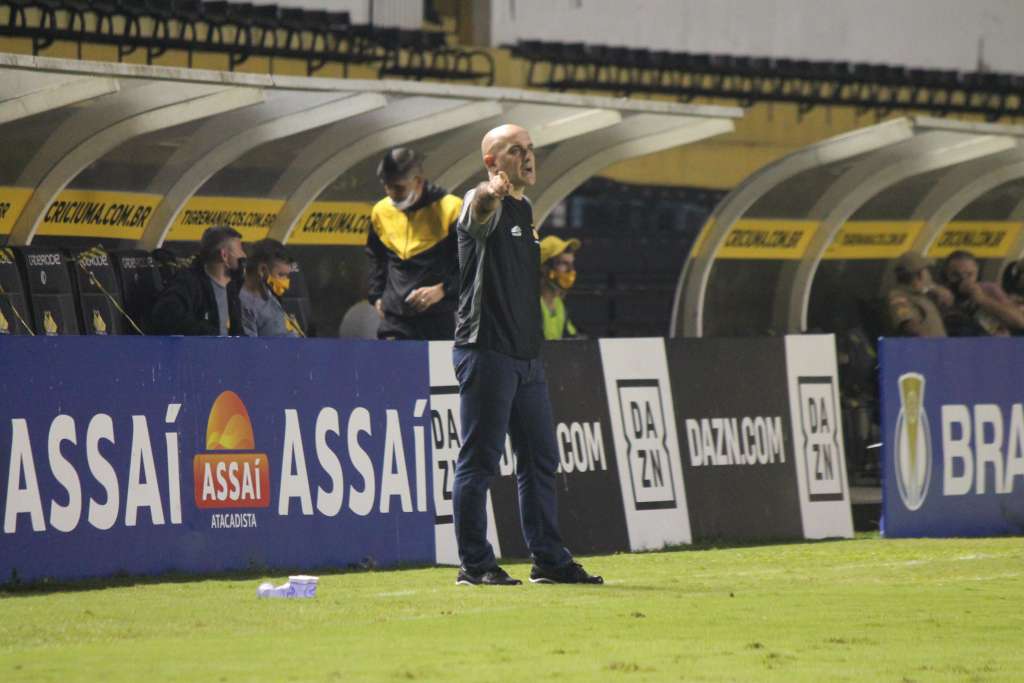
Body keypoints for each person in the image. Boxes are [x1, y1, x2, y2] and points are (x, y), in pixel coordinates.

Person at [451, 123, 602, 586]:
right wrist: (488, 191)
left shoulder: (527, 206)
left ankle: (549, 560)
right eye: (516, 151)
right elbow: (477, 209)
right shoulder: (483, 203)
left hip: (526, 357)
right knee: (479, 461)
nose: (528, 157)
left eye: (530, 149)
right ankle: (475, 565)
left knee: (539, 458)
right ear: (493, 161)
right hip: (487, 350)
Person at [366, 147, 462, 340]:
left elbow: (473, 264)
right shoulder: (380, 211)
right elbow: (376, 257)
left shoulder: (451, 209)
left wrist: (443, 290)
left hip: (439, 319)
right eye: (387, 186)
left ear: (418, 181)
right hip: (394, 319)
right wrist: (376, 296)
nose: (391, 193)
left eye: (398, 187)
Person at [149, 225, 244, 336]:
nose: (243, 255)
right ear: (224, 256)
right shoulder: (188, 283)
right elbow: (165, 315)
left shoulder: (231, 288)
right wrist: (210, 336)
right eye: (240, 249)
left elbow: (238, 333)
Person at [941, 250, 1024, 336]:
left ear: (977, 273)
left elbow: (1019, 321)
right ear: (946, 275)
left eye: (969, 274)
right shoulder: (942, 294)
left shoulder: (988, 289)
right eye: (955, 275)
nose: (964, 279)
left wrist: (982, 299)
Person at [239, 238, 299, 337]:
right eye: (281, 275)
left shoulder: (268, 293)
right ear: (262, 269)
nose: (285, 283)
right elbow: (250, 348)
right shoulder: (243, 305)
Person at [885, 251, 950, 337]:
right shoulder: (898, 296)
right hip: (926, 348)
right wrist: (932, 345)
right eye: (927, 271)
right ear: (920, 274)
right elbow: (909, 326)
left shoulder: (924, 296)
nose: (930, 276)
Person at [539, 235, 582, 340]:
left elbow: (573, 339)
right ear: (544, 268)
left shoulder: (559, 304)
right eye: (564, 263)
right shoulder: (528, 306)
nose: (571, 270)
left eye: (571, 264)